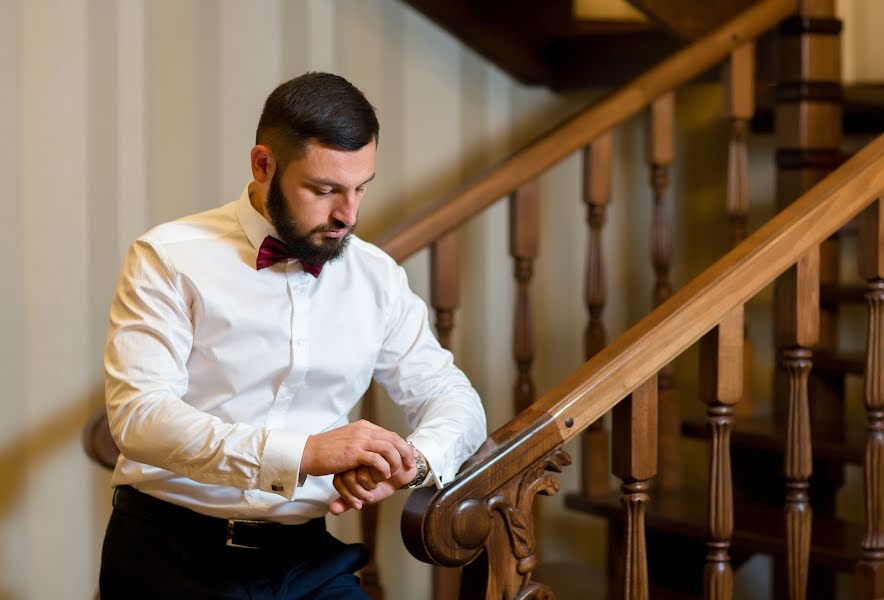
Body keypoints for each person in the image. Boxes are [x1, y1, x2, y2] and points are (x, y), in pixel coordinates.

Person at [100, 72, 487, 599]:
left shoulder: (376, 276)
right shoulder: (168, 257)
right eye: (324, 190)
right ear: (263, 165)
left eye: (360, 189)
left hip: (309, 560)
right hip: (171, 554)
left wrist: (412, 462)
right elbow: (140, 419)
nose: (347, 216)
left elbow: (452, 396)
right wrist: (303, 454)